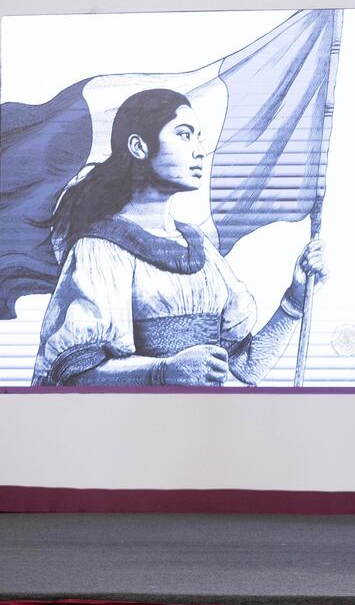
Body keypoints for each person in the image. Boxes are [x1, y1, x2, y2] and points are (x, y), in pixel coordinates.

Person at [31, 88, 328, 386]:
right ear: (139, 146)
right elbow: (74, 377)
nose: (199, 150)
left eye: (199, 137)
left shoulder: (199, 248)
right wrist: (162, 372)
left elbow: (247, 367)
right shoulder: (100, 249)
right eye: (184, 135)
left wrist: (295, 299)